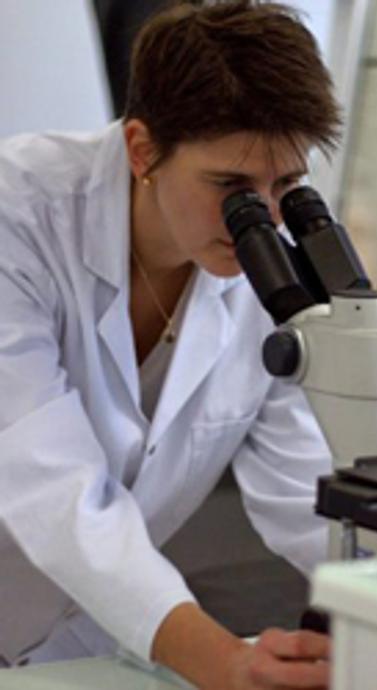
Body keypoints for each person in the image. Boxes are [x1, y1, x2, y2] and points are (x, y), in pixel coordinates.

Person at [0, 2, 341, 687]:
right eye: (231, 187)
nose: (263, 219)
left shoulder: (267, 270)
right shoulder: (19, 216)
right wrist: (225, 662)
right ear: (142, 150)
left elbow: (308, 488)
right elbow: (49, 484)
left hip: (84, 640)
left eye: (286, 185)